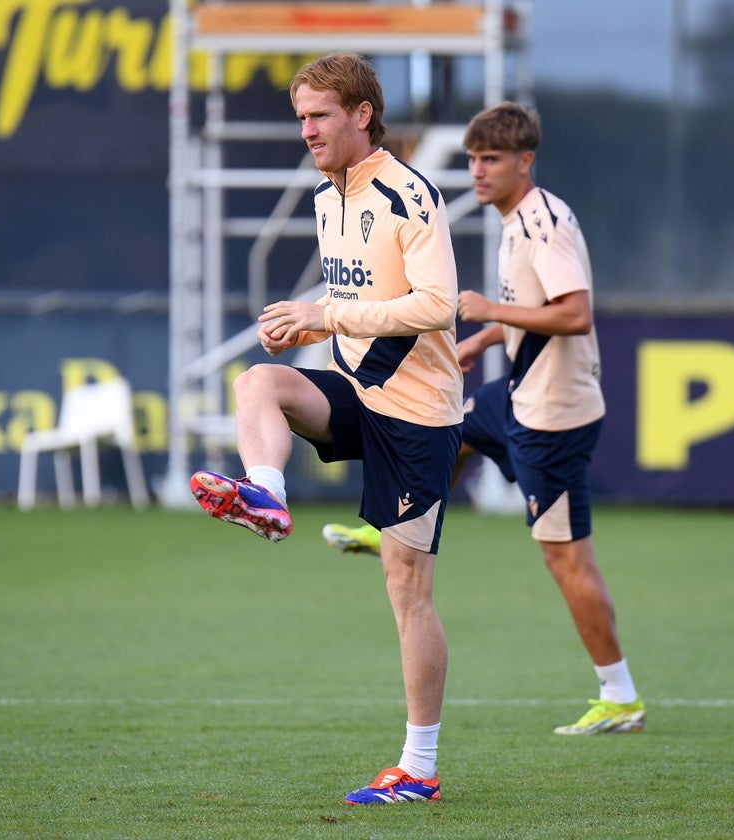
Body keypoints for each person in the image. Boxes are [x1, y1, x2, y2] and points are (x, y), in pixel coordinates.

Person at [189, 53, 463, 804]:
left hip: (418, 413)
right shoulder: (323, 194)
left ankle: (421, 769)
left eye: (318, 116)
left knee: (407, 589)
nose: (305, 130)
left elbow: (438, 305)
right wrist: (304, 329)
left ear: (361, 114)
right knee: (257, 383)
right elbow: (353, 296)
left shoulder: (410, 193)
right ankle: (267, 493)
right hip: (355, 391)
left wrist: (326, 315)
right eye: (301, 116)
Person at [322, 102, 645, 736]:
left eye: (491, 159)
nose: (477, 170)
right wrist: (482, 340)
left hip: (553, 418)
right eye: (472, 159)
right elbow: (534, 307)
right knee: (450, 426)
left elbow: (574, 313)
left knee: (565, 559)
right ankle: (395, 526)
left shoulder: (543, 223)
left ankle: (620, 693)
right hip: (521, 392)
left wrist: (488, 310)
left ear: (526, 161)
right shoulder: (514, 215)